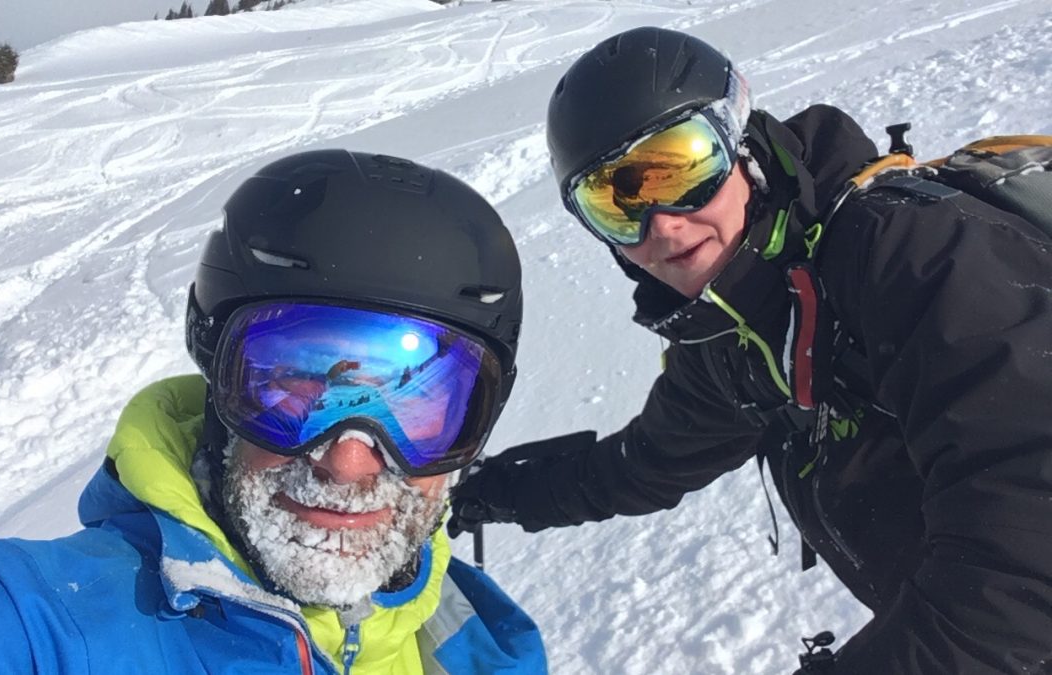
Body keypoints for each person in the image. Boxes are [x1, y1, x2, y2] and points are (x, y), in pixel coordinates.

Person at [448, 26, 1052, 674]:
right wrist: (490, 489)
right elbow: (638, 464)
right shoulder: (732, 338)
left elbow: (1025, 555)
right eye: (616, 200)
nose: (664, 225)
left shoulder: (914, 256)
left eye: (682, 168)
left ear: (739, 143)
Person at [0, 149, 547, 674]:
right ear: (220, 388)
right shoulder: (44, 623)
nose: (347, 462)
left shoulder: (490, 645)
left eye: (417, 401)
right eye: (295, 382)